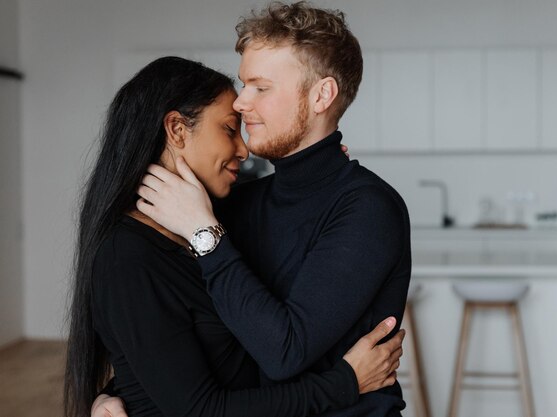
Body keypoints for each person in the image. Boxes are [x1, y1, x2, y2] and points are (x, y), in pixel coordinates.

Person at [94, 2, 412, 416]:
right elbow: (187, 337)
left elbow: (284, 352)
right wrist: (113, 395)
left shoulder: (368, 208)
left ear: (321, 95)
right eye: (244, 85)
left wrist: (205, 233)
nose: (241, 103)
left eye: (260, 88)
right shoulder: (237, 205)